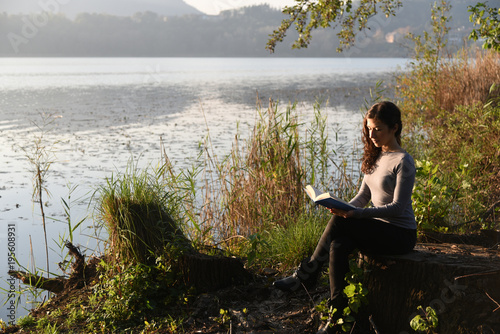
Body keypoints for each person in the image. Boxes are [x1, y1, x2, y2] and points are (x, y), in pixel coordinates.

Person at [273, 101, 417, 333]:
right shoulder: (377, 157)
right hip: (378, 229)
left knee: (344, 222)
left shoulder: (403, 161)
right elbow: (363, 196)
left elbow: (398, 208)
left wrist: (356, 215)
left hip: (400, 234)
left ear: (395, 128)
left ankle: (305, 275)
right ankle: (337, 315)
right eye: (369, 128)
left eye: (378, 129)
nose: (372, 135)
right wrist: (342, 207)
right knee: (339, 244)